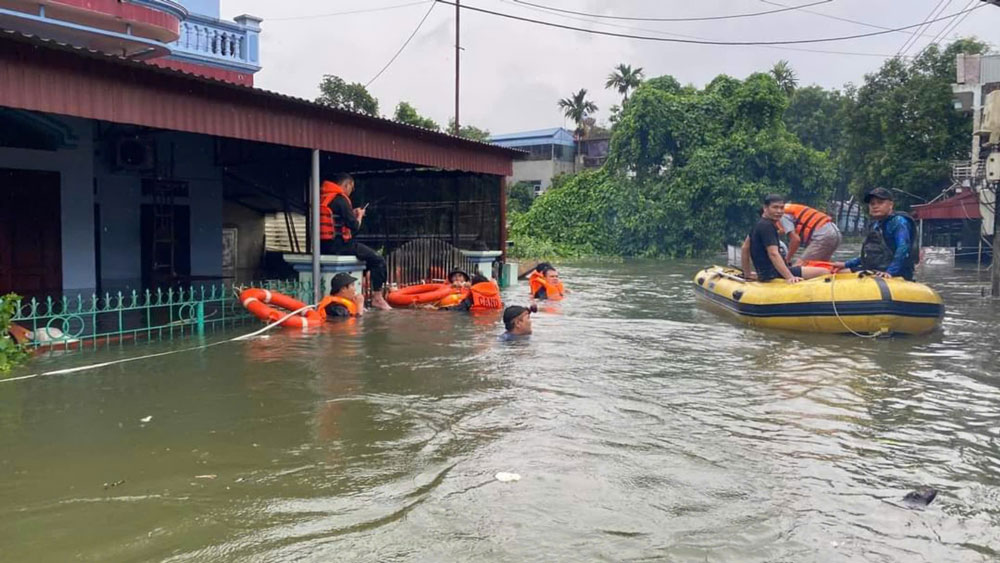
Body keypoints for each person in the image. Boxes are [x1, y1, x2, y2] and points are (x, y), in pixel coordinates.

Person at [319, 173, 391, 310]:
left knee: (367, 261)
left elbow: (337, 218)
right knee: (378, 260)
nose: (351, 192)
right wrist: (359, 216)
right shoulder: (341, 199)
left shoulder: (324, 197)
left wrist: (351, 212)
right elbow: (354, 227)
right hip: (340, 246)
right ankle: (377, 298)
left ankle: (360, 290)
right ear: (347, 185)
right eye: (351, 188)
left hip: (324, 246)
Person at [741, 194, 829, 283]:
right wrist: (790, 277)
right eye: (775, 207)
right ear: (765, 208)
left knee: (806, 268)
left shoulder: (759, 224)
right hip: (774, 274)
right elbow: (773, 253)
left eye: (781, 208)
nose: (779, 211)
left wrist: (747, 273)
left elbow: (745, 247)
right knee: (824, 272)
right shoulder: (768, 227)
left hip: (765, 273)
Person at [833, 187, 918, 280]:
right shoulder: (875, 225)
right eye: (872, 203)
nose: (875, 206)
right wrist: (846, 264)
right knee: (835, 273)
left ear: (891, 205)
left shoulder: (899, 222)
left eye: (880, 202)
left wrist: (890, 272)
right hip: (875, 269)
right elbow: (870, 256)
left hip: (897, 272)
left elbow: (903, 248)